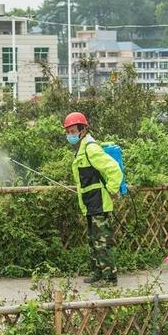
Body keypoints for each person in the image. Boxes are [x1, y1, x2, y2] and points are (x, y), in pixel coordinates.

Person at [63, 112, 123, 286]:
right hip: (90, 204)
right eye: (68, 132)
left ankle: (110, 278)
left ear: (83, 130)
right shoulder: (81, 149)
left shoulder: (90, 148)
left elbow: (113, 168)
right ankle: (98, 273)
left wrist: (111, 190)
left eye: (73, 131)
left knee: (102, 242)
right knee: (93, 241)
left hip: (99, 203)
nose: (70, 135)